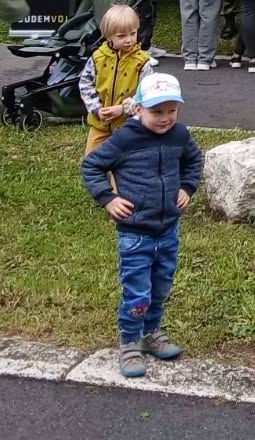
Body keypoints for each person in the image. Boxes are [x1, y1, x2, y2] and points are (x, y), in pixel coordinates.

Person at [80, 72, 202, 379]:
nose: (165, 118)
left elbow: (193, 160)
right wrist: (108, 198)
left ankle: (151, 332)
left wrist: (187, 187)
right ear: (138, 109)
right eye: (156, 111)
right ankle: (130, 343)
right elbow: (92, 165)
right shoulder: (125, 138)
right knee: (138, 291)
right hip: (135, 232)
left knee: (160, 286)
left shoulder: (179, 135)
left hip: (168, 228)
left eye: (171, 110)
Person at [77, 3, 158, 153]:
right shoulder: (97, 58)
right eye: (121, 36)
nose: (129, 40)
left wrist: (123, 109)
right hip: (100, 125)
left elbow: (148, 93)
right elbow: (85, 84)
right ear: (108, 36)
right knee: (92, 161)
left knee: (126, 164)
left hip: (130, 127)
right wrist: (96, 109)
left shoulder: (142, 62)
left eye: (133, 33)